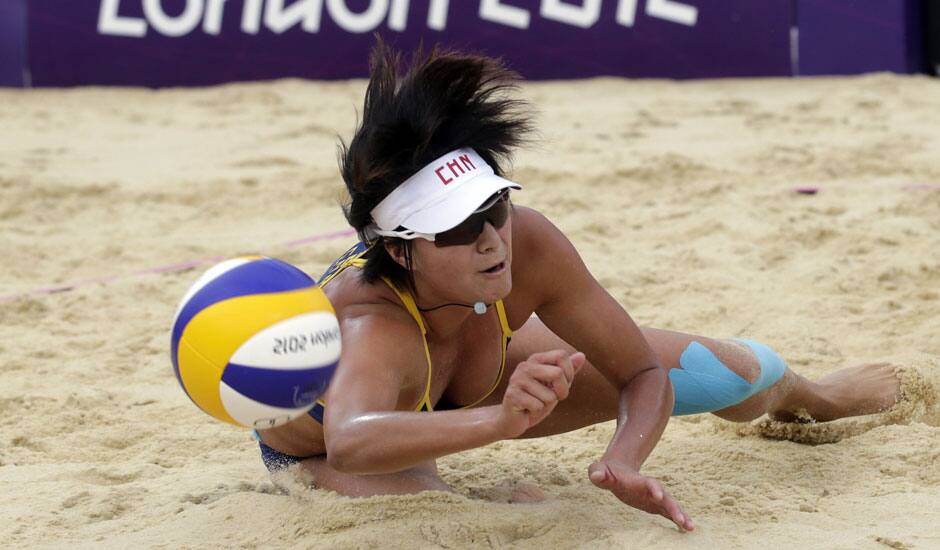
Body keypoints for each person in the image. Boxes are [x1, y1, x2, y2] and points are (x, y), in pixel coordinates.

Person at [255, 42, 900, 531]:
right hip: (340, 450)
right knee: (454, 515)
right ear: (400, 248)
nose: (489, 239)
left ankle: (815, 395)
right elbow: (352, 440)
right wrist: (499, 422)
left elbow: (643, 373)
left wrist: (624, 458)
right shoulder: (373, 323)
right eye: (455, 229)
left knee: (734, 371)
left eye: (493, 208)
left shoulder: (527, 243)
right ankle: (448, 482)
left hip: (467, 381)